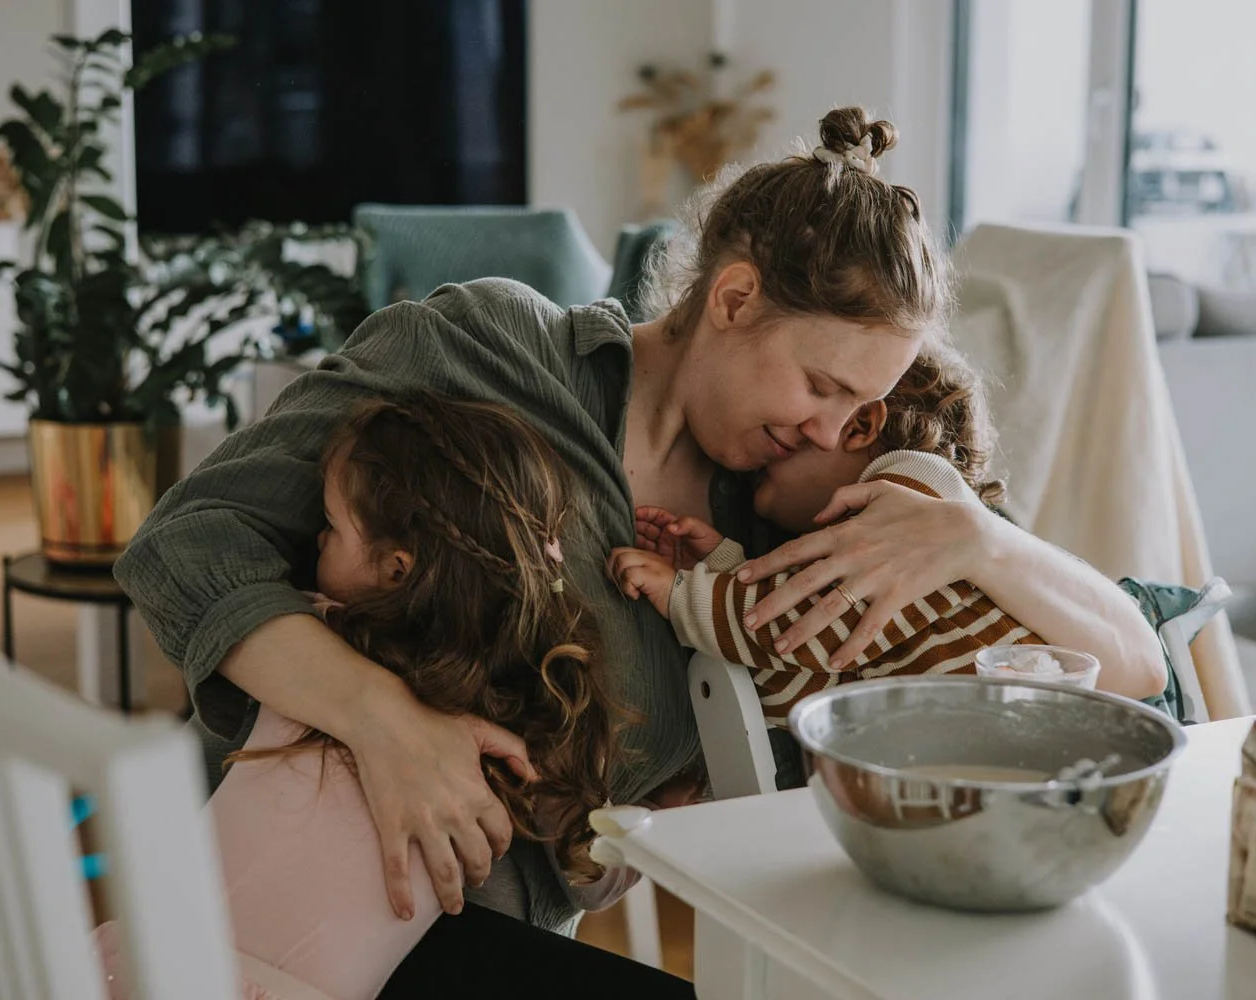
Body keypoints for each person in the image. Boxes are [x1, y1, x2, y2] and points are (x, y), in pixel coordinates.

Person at [115, 106, 1165, 992]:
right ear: (734, 297)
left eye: (859, 409)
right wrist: (381, 718)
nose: (829, 429)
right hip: (270, 902)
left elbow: (1128, 668)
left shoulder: (783, 537)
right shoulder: (488, 347)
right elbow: (187, 543)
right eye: (821, 385)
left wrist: (976, 537)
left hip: (487, 944)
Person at [100, 393, 652, 999]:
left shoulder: (311, 639)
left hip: (146, 963)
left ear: (396, 569)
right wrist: (662, 813)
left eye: (332, 527)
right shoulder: (531, 730)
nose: (315, 539)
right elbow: (594, 871)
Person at [609, 347, 1112, 728]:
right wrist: (721, 569)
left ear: (860, 425)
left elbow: (801, 623)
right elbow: (790, 678)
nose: (762, 456)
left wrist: (683, 595)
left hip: (1032, 746)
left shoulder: (921, 484)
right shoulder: (871, 609)